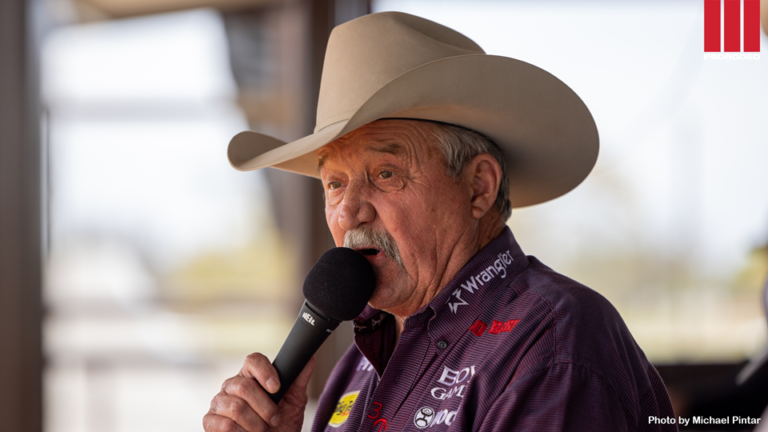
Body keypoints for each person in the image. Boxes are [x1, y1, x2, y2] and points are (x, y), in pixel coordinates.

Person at [204, 11, 677, 432]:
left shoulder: (551, 342)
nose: (348, 212)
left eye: (385, 174)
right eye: (334, 184)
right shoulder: (365, 353)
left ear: (478, 188)